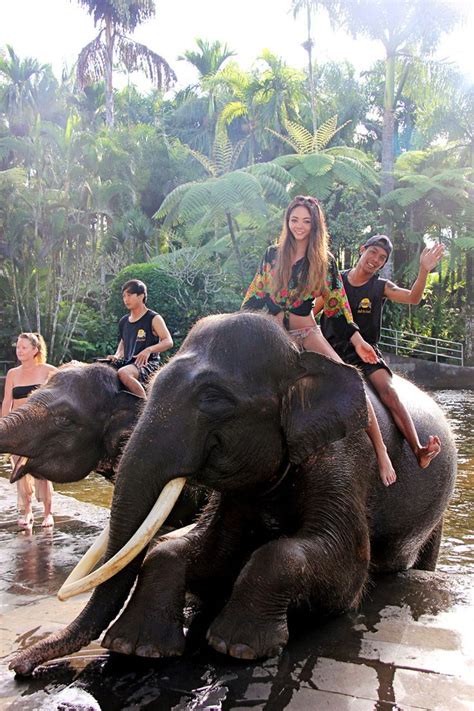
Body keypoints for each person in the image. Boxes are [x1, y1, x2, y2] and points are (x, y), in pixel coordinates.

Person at [242, 195, 396, 486]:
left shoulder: (325, 262)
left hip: (308, 332)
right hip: (275, 334)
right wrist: (241, 327)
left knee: (352, 383)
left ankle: (381, 449)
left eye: (306, 221)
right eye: (294, 219)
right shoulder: (272, 255)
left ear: (315, 226)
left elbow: (338, 309)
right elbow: (254, 296)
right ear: (287, 222)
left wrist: (359, 341)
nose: (299, 226)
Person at [318, 234, 443, 469]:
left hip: (365, 352)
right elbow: (314, 308)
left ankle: (419, 450)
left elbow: (413, 298)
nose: (375, 259)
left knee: (388, 391)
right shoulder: (336, 281)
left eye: (382, 258)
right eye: (373, 252)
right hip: (331, 347)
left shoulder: (380, 287)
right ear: (362, 249)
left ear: (384, 264)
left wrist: (424, 270)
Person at [1, 332, 57, 527]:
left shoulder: (49, 371)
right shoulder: (13, 374)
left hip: (41, 427)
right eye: (18, 347)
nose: (19, 351)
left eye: (24, 347)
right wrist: (4, 427)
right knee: (19, 469)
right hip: (18, 427)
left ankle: (48, 513)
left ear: (35, 350)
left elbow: (60, 398)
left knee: (42, 471)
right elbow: (8, 401)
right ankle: (27, 511)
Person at [106, 279, 173, 398]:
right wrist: (116, 356)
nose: (126, 299)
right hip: (128, 362)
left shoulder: (153, 318)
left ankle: (145, 406)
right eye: (124, 296)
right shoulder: (124, 321)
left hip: (148, 364)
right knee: (100, 369)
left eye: (129, 295)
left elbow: (168, 341)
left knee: (124, 373)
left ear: (141, 296)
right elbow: (123, 342)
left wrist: (148, 350)